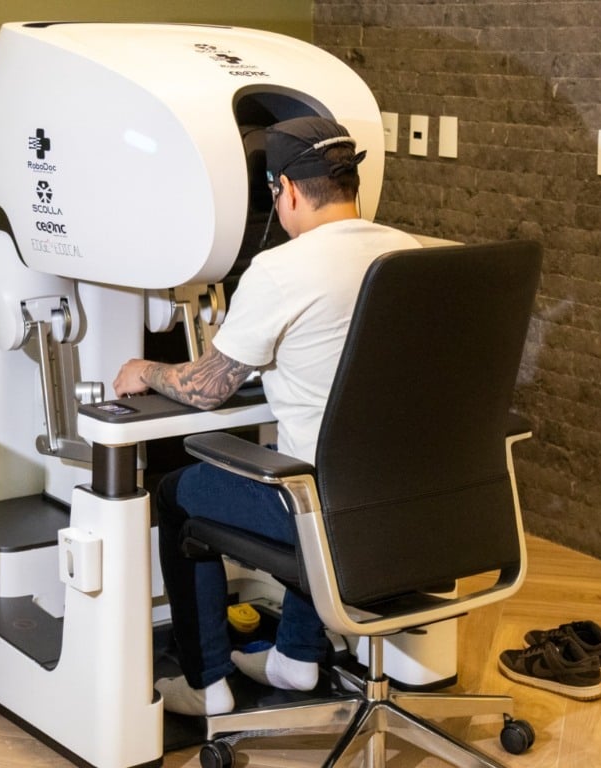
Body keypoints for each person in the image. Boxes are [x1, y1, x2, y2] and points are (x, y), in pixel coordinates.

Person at [113, 116, 421, 716]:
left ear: (289, 191)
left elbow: (206, 391)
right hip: (406, 501)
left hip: (319, 510)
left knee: (177, 495)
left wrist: (145, 370)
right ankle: (295, 656)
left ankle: (207, 684)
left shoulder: (281, 270)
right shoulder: (406, 252)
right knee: (317, 462)